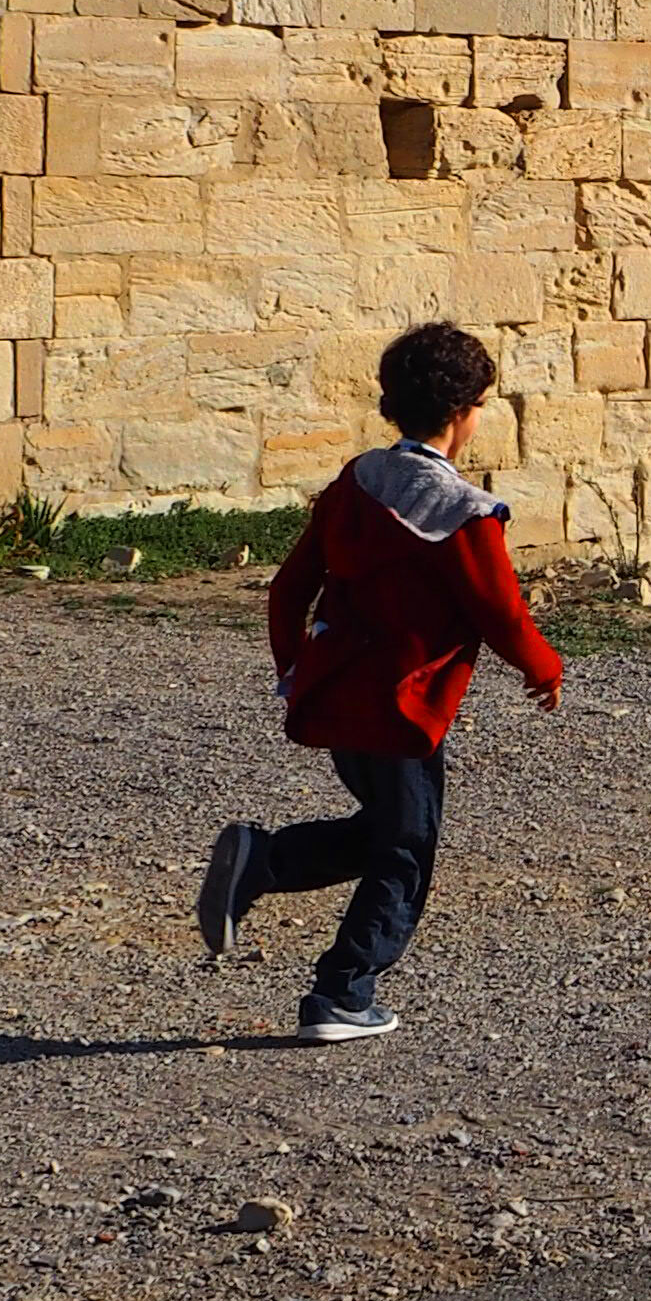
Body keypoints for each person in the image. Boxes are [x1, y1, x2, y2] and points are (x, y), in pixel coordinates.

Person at [195, 321, 565, 1043]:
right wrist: (543, 669)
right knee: (406, 849)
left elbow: (288, 589)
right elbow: (501, 611)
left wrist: (295, 667)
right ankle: (341, 991)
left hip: (339, 696)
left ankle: (262, 862)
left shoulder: (357, 483)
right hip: (404, 709)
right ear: (465, 414)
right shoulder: (464, 513)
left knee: (387, 832)